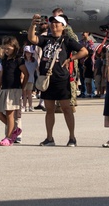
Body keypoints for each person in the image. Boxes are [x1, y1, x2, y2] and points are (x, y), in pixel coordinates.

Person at [27, 14, 87, 147]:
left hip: (61, 79)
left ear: (63, 25)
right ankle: (49, 138)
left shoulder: (67, 40)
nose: (54, 25)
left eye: (57, 23)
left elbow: (84, 51)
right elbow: (32, 38)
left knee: (66, 108)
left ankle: (72, 137)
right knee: (49, 109)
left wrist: (71, 59)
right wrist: (33, 25)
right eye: (52, 23)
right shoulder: (46, 39)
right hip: (47, 79)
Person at [0, 36, 28, 146]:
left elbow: (26, 74)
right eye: (5, 49)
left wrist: (23, 86)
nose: (6, 51)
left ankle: (9, 137)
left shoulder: (18, 60)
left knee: (9, 114)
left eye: (8, 48)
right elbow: (1, 76)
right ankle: (15, 130)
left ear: (14, 48)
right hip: (5, 88)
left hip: (14, 89)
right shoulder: (3, 60)